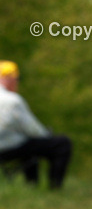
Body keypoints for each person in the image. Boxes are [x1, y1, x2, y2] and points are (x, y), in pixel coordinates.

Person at [0, 61, 73, 189]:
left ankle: (32, 186)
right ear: (7, 78)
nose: (17, 83)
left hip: (8, 146)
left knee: (29, 146)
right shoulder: (12, 100)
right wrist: (47, 134)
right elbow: (32, 129)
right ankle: (55, 188)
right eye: (16, 79)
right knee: (62, 143)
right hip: (8, 148)